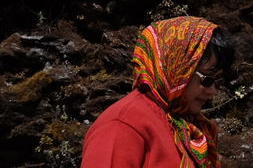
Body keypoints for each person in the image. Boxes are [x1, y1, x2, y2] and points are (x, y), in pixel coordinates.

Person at [81, 16, 235, 167]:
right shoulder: (123, 126)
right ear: (178, 69)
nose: (213, 91)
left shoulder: (188, 126)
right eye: (207, 79)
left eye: (217, 80)